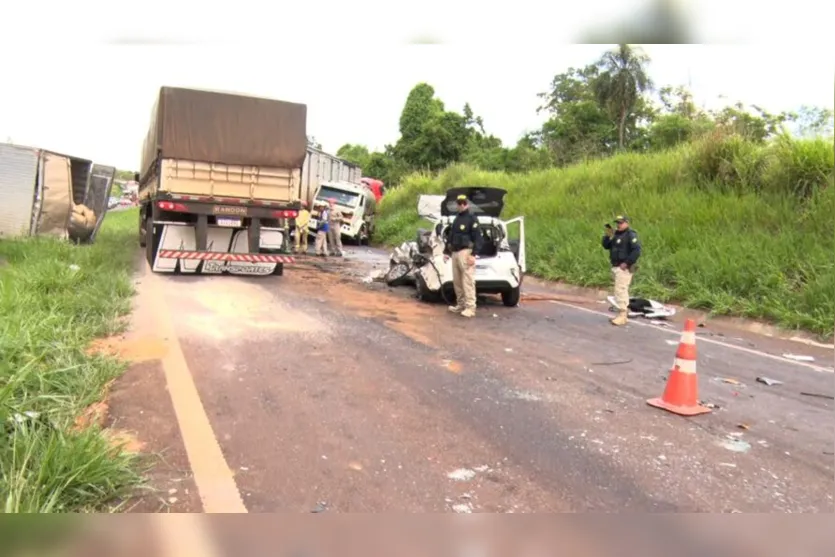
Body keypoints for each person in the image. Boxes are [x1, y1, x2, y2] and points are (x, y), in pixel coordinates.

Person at [601, 215, 642, 326]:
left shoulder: (630, 235)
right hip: (616, 266)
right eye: (617, 223)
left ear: (627, 223)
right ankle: (622, 314)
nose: (618, 225)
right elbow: (606, 246)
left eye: (621, 222)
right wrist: (607, 235)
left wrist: (627, 262)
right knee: (619, 290)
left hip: (624, 268)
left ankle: (623, 315)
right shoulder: (616, 234)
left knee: (621, 290)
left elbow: (637, 250)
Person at [447, 194, 482, 318]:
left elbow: (478, 238)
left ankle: (470, 307)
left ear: (466, 204)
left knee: (468, 281)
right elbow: (451, 235)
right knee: (457, 281)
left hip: (466, 252)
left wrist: (474, 254)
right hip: (455, 252)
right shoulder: (457, 218)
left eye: (463, 202)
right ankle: (460, 305)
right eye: (459, 203)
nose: (461, 205)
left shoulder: (472, 218)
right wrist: (448, 250)